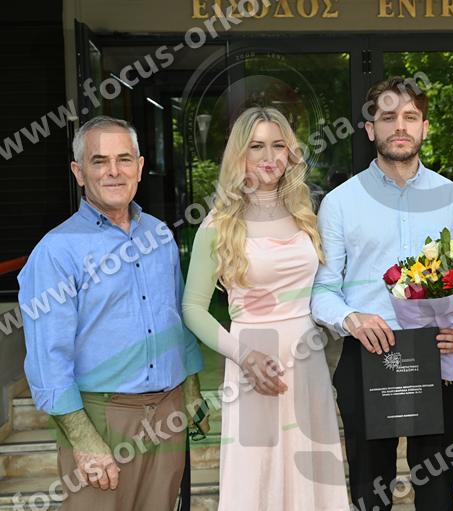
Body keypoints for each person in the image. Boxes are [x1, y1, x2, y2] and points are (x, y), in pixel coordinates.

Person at [311, 76, 453, 511]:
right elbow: (323, 289)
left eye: (410, 117)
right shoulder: (340, 203)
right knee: (369, 490)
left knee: (437, 491)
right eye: (388, 116)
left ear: (424, 127)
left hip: (439, 355)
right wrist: (350, 318)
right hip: (368, 355)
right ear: (369, 128)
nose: (399, 126)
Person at [18, 116, 205, 510]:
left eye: (124, 159)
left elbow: (177, 319)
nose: (114, 171)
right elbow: (48, 358)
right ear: (79, 172)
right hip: (101, 417)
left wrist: (191, 388)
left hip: (168, 412)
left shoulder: (160, 235)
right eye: (99, 161)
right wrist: (83, 438)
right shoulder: (56, 251)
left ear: (139, 166)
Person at [182, 107, 348, 510]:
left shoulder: (306, 215)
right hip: (252, 360)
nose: (269, 156)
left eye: (278, 145)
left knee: (311, 475)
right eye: (256, 146)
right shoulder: (218, 224)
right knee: (258, 477)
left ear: (290, 152)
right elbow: (193, 308)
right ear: (239, 155)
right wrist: (244, 356)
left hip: (307, 360)